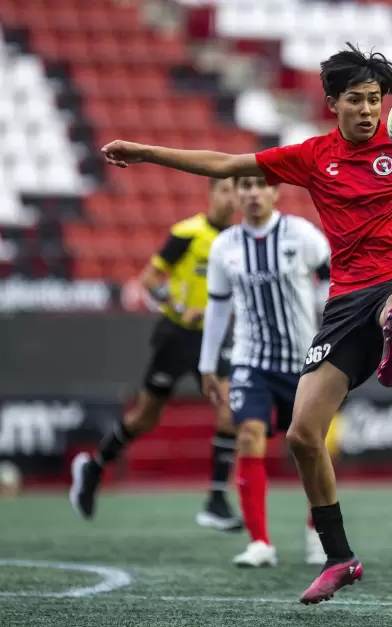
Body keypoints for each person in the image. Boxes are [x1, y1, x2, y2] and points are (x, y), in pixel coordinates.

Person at [99, 42, 392, 603]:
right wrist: (145, 153)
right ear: (332, 103)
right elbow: (227, 165)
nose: (369, 109)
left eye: (375, 99)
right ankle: (340, 557)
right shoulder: (310, 156)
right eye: (356, 99)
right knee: (303, 434)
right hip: (343, 304)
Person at [69, 178, 242, 532]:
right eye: (224, 189)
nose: (231, 197)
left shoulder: (238, 240)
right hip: (176, 335)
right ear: (210, 195)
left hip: (212, 337)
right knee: (145, 417)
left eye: (236, 190)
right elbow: (148, 280)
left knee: (229, 411)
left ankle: (216, 499)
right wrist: (178, 305)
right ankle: (95, 466)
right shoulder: (187, 233)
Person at [198, 175, 332, 567]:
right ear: (237, 193)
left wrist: (331, 335)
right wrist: (208, 364)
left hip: (304, 362)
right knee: (249, 435)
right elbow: (218, 306)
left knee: (310, 446)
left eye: (261, 185)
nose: (253, 193)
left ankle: (318, 534)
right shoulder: (226, 246)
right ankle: (260, 542)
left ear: (276, 191)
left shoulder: (300, 233)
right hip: (250, 360)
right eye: (245, 186)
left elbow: (331, 279)